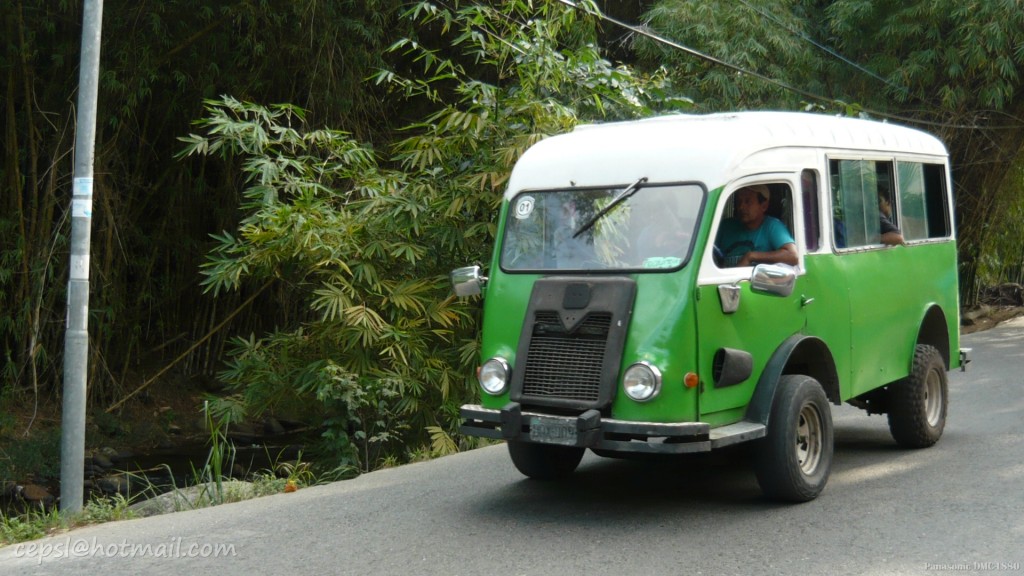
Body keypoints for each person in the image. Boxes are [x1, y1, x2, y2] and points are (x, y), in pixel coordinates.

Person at [715, 184, 798, 267]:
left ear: (764, 206)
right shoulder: (725, 226)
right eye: (738, 202)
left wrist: (751, 256)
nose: (741, 207)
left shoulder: (772, 226)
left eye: (747, 201)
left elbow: (792, 255)